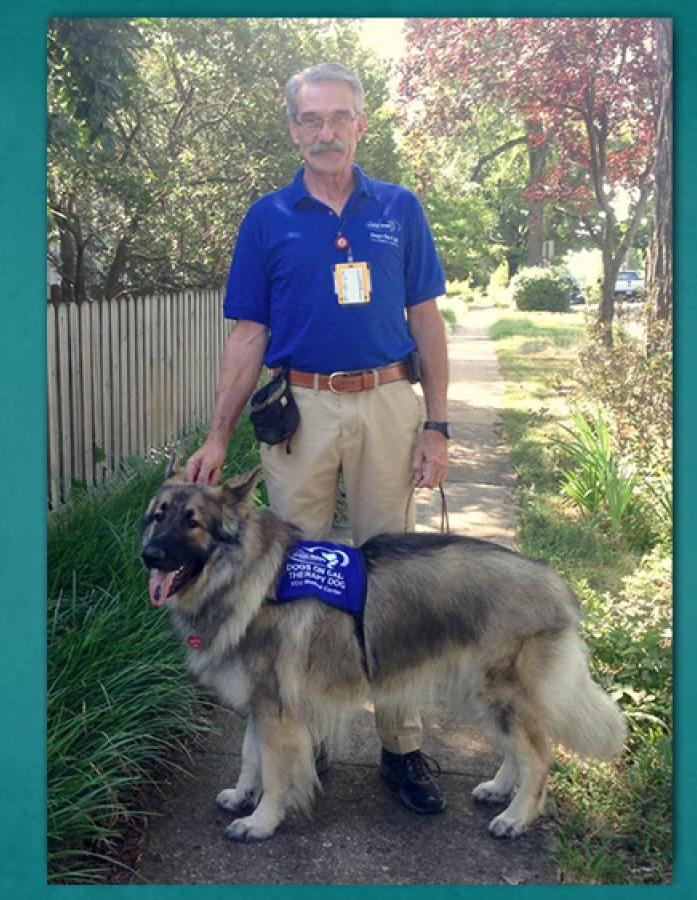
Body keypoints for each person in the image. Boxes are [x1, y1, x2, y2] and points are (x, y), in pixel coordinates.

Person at [184, 62, 452, 815]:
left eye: (340, 117)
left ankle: (403, 749)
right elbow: (247, 334)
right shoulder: (267, 218)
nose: (326, 132)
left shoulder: (399, 208)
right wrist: (216, 436)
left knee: (392, 582)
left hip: (390, 402)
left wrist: (436, 423)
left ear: (362, 123)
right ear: (293, 127)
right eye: (312, 119)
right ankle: (305, 736)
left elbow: (427, 321)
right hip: (300, 409)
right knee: (293, 582)